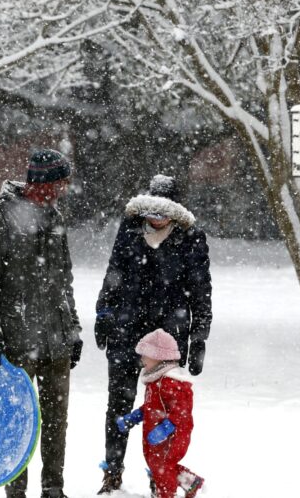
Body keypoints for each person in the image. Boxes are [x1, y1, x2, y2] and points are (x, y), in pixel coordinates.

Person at [0, 149, 83, 498]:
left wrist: (73, 328)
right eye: (60, 183)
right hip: (17, 339)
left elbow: (64, 279)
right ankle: (15, 492)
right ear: (43, 183)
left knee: (55, 422)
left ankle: (54, 489)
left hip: (57, 339)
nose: (63, 190)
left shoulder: (55, 217)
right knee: (16, 423)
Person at [95, 174, 212, 494]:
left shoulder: (191, 237)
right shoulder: (130, 230)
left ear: (175, 211)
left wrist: (199, 335)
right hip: (126, 329)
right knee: (118, 404)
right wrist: (103, 311)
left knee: (163, 413)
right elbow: (114, 271)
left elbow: (200, 289)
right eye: (152, 212)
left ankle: (159, 474)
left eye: (163, 213)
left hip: (168, 337)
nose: (156, 218)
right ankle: (113, 470)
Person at [117, 328, 204, 498]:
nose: (142, 359)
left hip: (173, 435)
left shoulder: (171, 381)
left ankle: (166, 495)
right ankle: (190, 482)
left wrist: (167, 426)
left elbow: (183, 408)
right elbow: (151, 406)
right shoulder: (155, 379)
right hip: (155, 433)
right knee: (158, 463)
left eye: (145, 355)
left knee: (162, 466)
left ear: (158, 357)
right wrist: (134, 417)